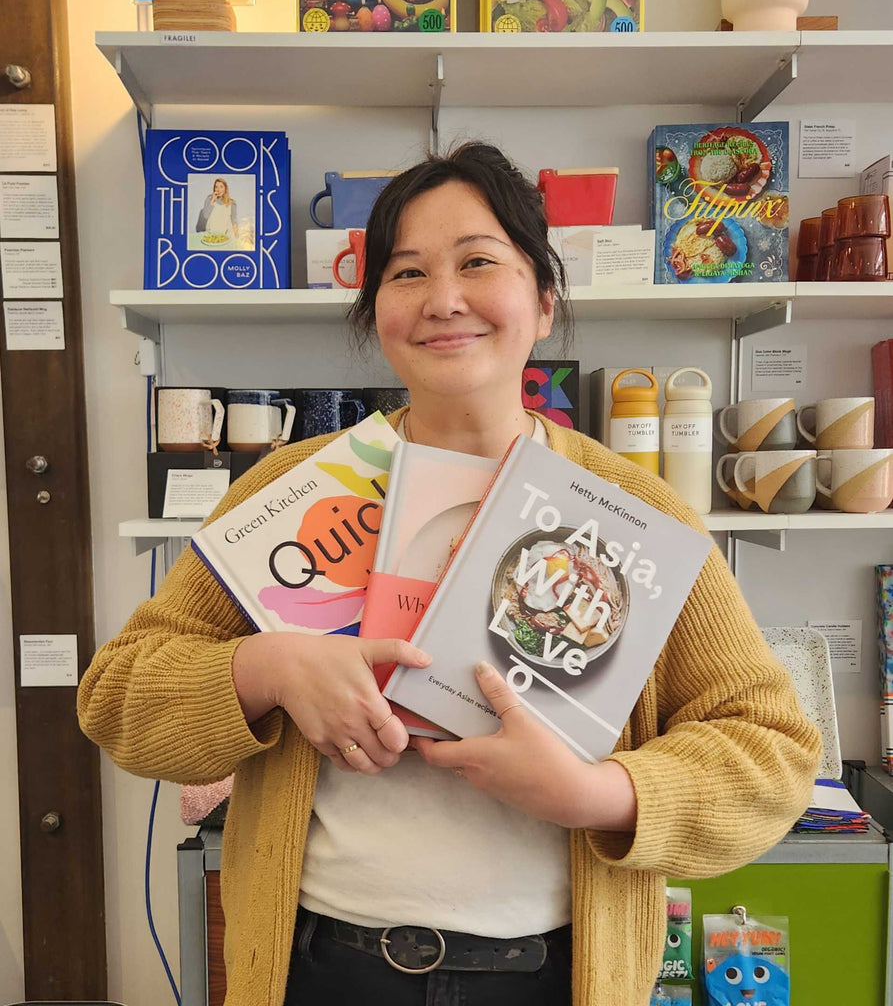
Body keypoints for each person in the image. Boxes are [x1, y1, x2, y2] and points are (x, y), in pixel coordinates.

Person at [79, 142, 822, 1006]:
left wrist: (597, 792)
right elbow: (116, 700)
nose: (442, 300)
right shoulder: (294, 488)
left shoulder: (632, 512)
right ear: (371, 309)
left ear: (544, 300)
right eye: (405, 273)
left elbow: (768, 752)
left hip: (557, 977)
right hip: (318, 968)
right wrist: (268, 669)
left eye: (478, 261)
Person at [196, 176, 238, 241]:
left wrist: (237, 238)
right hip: (211, 236)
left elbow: (234, 221)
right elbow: (206, 216)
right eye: (216, 187)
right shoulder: (209, 199)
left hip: (226, 237)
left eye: (221, 187)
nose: (218, 189)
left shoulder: (232, 203)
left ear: (225, 188)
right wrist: (212, 200)